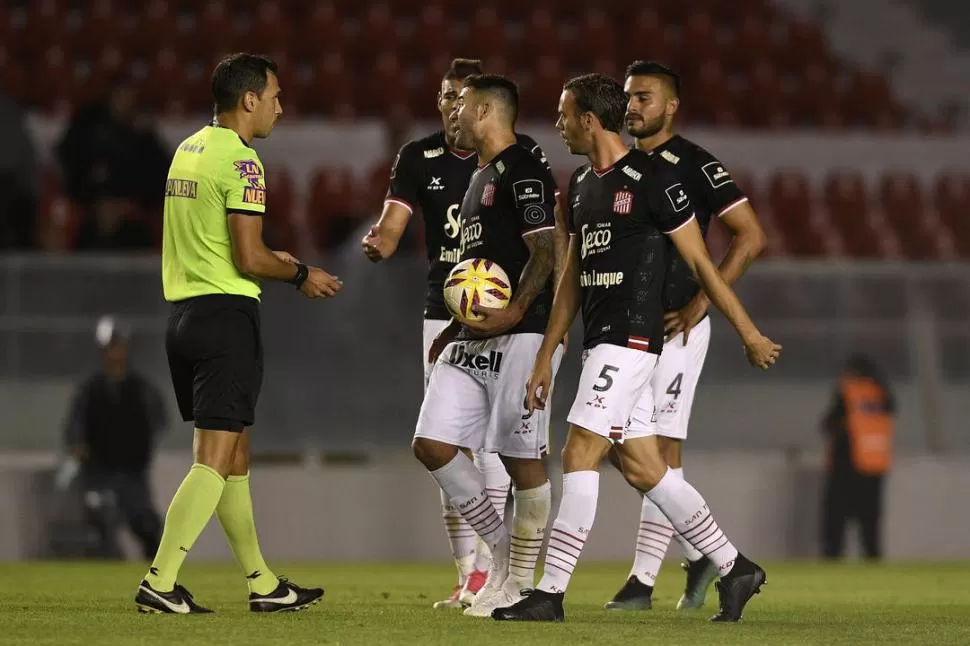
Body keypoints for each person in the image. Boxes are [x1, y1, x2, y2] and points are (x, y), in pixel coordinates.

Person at [493, 73, 779, 623]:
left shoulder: (654, 180)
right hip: (600, 343)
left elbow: (700, 262)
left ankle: (550, 594)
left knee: (579, 453)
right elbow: (570, 278)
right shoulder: (577, 186)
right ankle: (734, 564)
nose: (556, 126)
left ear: (588, 120)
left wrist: (748, 332)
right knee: (645, 468)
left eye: (562, 114)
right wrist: (546, 354)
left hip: (631, 343)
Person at [135, 53, 341, 615]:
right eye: (274, 94)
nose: (279, 105)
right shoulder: (243, 161)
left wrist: (271, 257)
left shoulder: (188, 149)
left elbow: (212, 241)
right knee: (213, 459)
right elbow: (247, 258)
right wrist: (300, 273)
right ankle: (161, 577)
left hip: (182, 315)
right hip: (226, 318)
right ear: (248, 99)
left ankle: (262, 584)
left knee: (234, 455)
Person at [362, 59, 566, 609]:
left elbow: (548, 251)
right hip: (472, 335)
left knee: (521, 460)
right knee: (430, 443)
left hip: (523, 333)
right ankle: (500, 558)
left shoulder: (523, 167)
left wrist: (517, 310)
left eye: (460, 104)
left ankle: (519, 583)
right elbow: (475, 269)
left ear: (483, 111)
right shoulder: (478, 175)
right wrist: (453, 329)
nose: (451, 111)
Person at [604, 60, 768, 611]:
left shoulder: (694, 163)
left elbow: (750, 235)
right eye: (628, 97)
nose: (633, 107)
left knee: (661, 452)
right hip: (625, 329)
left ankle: (643, 583)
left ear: (671, 106)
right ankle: (703, 550)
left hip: (675, 328)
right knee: (618, 446)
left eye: (645, 97)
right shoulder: (619, 165)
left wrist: (701, 302)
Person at [62, 316, 167, 559]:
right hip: (101, 469)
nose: (116, 352)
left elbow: (159, 418)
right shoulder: (92, 389)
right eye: (111, 347)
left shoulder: (141, 388)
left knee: (145, 523)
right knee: (102, 524)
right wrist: (78, 445)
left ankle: (158, 573)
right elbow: (75, 423)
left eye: (119, 346)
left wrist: (143, 442)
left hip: (133, 470)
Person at [821, 354, 894, 560]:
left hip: (847, 466)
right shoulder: (882, 395)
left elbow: (830, 424)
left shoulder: (849, 393)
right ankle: (873, 562)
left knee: (835, 524)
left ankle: (832, 562)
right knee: (870, 526)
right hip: (874, 467)